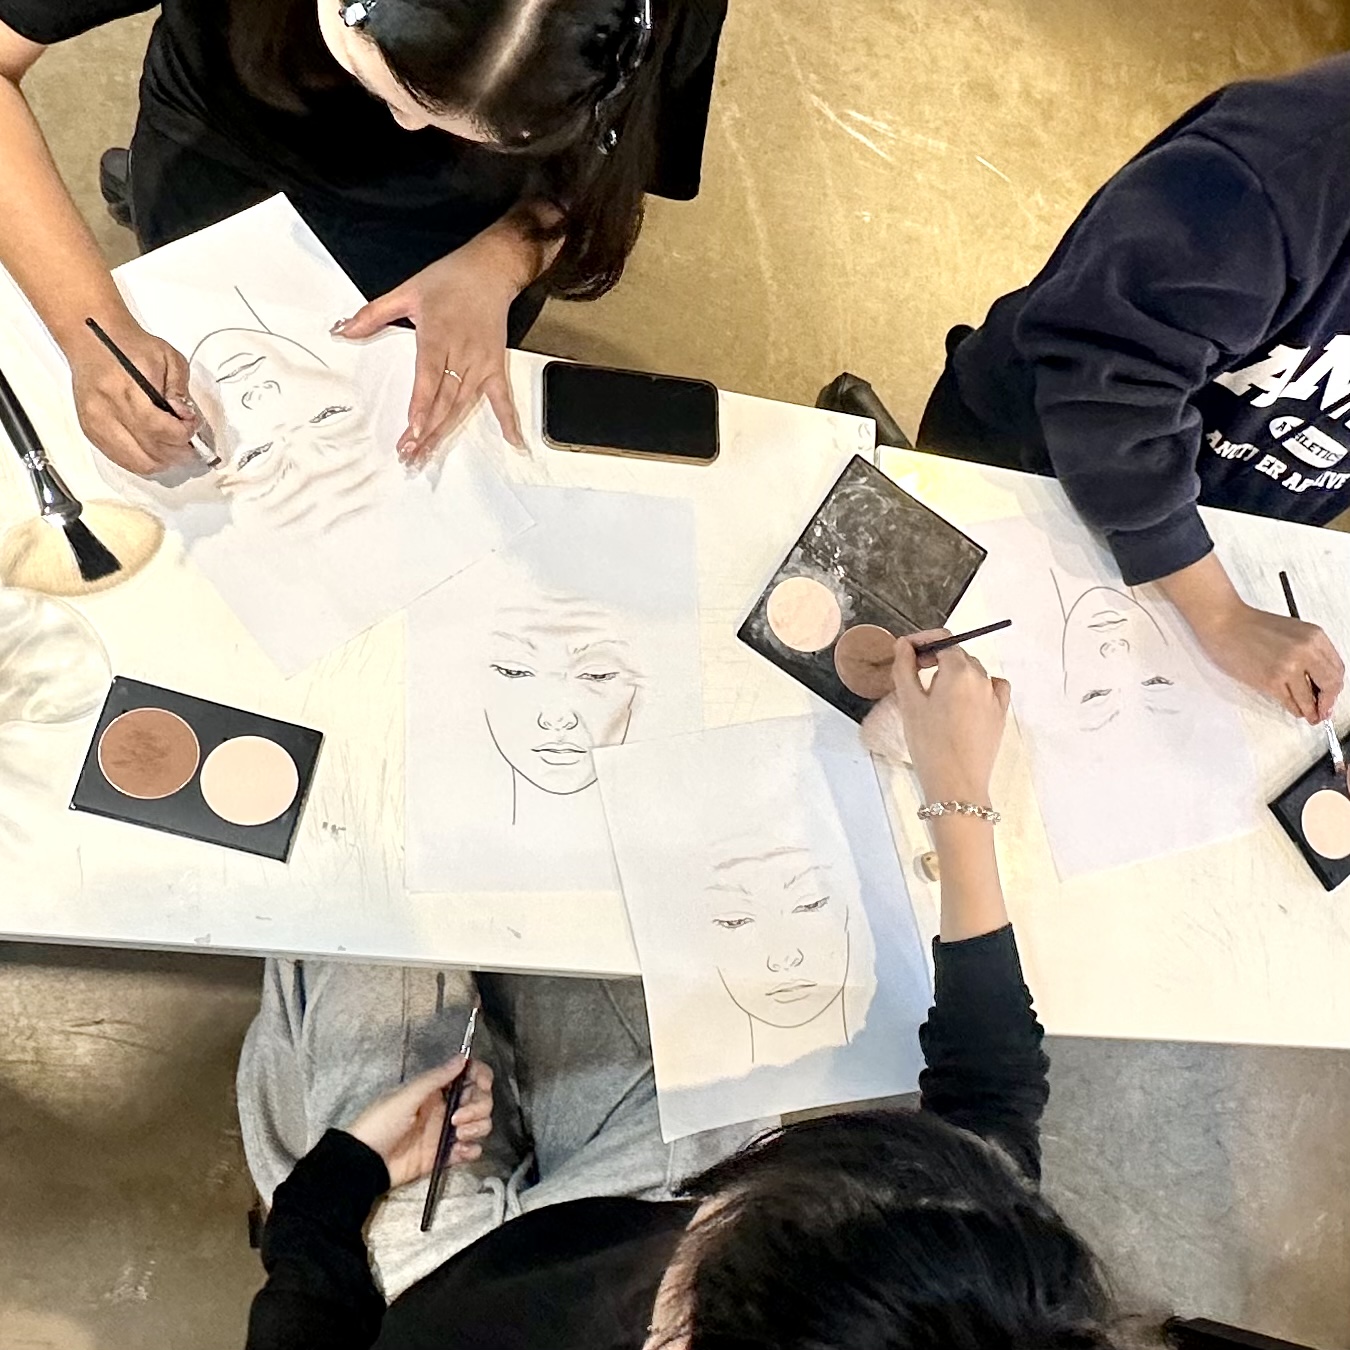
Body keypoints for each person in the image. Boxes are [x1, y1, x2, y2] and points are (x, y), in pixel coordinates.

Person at [238, 632, 1117, 1350]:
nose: (706, 1208)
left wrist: (327, 1200)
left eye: (719, 1228)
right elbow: (990, 1097)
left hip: (421, 1283)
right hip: (599, 1217)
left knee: (365, 901)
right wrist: (959, 798)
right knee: (682, 1011)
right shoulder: (975, 1300)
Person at [0, 0, 727, 472]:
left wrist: (504, 257)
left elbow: (615, 153)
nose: (408, 126)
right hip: (226, 143)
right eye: (382, 83)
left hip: (473, 227)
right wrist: (90, 329)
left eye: (490, 130)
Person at [917, 55, 1350, 728]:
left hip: (1211, 521)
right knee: (923, 672)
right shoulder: (1281, 176)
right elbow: (1108, 381)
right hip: (1036, 463)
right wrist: (1218, 612)